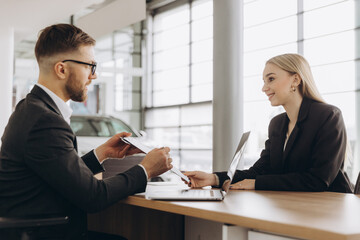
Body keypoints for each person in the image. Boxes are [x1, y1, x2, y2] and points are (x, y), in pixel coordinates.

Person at [0, 24, 173, 240]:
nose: (94, 75)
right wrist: (146, 169)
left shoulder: (32, 108)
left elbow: (60, 174)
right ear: (61, 69)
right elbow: (93, 197)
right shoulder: (45, 121)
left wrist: (102, 153)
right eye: (90, 66)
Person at [184, 53, 353, 193]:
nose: (264, 88)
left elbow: (317, 180)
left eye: (270, 79)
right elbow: (259, 172)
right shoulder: (277, 124)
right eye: (264, 81)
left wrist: (257, 183)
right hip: (293, 206)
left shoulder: (328, 116)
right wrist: (213, 178)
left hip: (333, 207)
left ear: (295, 80)